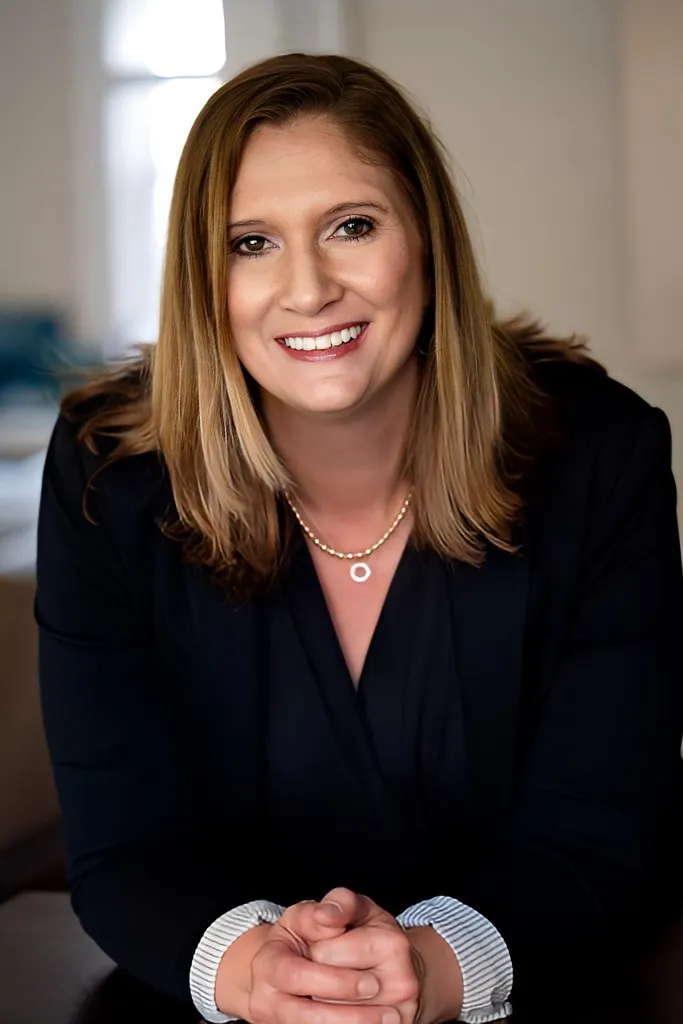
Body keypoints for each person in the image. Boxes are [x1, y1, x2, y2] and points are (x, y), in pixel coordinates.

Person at [36, 52, 683, 1024]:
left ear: (425, 238)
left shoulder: (600, 453)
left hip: (556, 986)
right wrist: (253, 969)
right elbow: (122, 844)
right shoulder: (109, 473)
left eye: (350, 226)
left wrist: (433, 965)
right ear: (199, 277)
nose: (306, 288)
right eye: (248, 243)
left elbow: (599, 829)